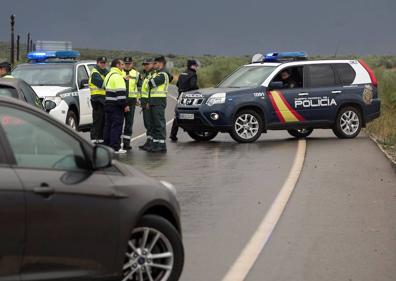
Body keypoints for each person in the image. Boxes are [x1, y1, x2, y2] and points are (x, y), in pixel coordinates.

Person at [146, 56, 173, 153]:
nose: (154, 65)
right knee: (154, 124)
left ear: (160, 63)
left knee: (159, 124)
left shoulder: (163, 74)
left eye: (155, 63)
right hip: (154, 101)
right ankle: (156, 144)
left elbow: (150, 83)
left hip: (159, 102)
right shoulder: (157, 73)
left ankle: (161, 145)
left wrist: (149, 81)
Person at [103, 58, 129, 154]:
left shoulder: (108, 75)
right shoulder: (118, 77)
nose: (124, 66)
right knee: (116, 126)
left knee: (108, 126)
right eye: (122, 64)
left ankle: (107, 146)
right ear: (117, 65)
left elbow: (105, 88)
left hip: (108, 104)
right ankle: (115, 147)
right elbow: (121, 94)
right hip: (116, 106)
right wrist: (125, 105)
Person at [170, 59, 199, 141]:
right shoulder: (193, 74)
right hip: (188, 97)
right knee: (193, 114)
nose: (196, 67)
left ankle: (173, 134)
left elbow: (177, 84)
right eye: (195, 65)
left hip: (180, 96)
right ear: (192, 66)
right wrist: (198, 90)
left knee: (177, 115)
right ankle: (195, 131)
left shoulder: (182, 73)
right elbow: (193, 85)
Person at [89, 56, 109, 144]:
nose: (103, 64)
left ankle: (101, 140)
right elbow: (102, 84)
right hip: (97, 100)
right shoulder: (95, 73)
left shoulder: (106, 72)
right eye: (101, 63)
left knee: (103, 121)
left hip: (104, 99)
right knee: (97, 121)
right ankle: (94, 140)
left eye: (104, 63)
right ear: (97, 63)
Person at [121, 57, 140, 150]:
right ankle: (117, 142)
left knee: (129, 123)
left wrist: (138, 98)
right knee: (119, 122)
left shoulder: (136, 74)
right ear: (123, 64)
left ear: (132, 64)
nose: (127, 65)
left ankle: (126, 143)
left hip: (132, 101)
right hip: (121, 101)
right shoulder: (119, 73)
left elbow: (140, 87)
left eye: (129, 63)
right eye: (126, 63)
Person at [138, 58, 156, 151]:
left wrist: (149, 101)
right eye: (144, 64)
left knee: (150, 123)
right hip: (144, 102)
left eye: (147, 64)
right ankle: (148, 141)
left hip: (149, 103)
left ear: (152, 64)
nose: (145, 66)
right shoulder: (146, 74)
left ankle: (151, 142)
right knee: (147, 123)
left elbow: (151, 90)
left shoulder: (153, 74)